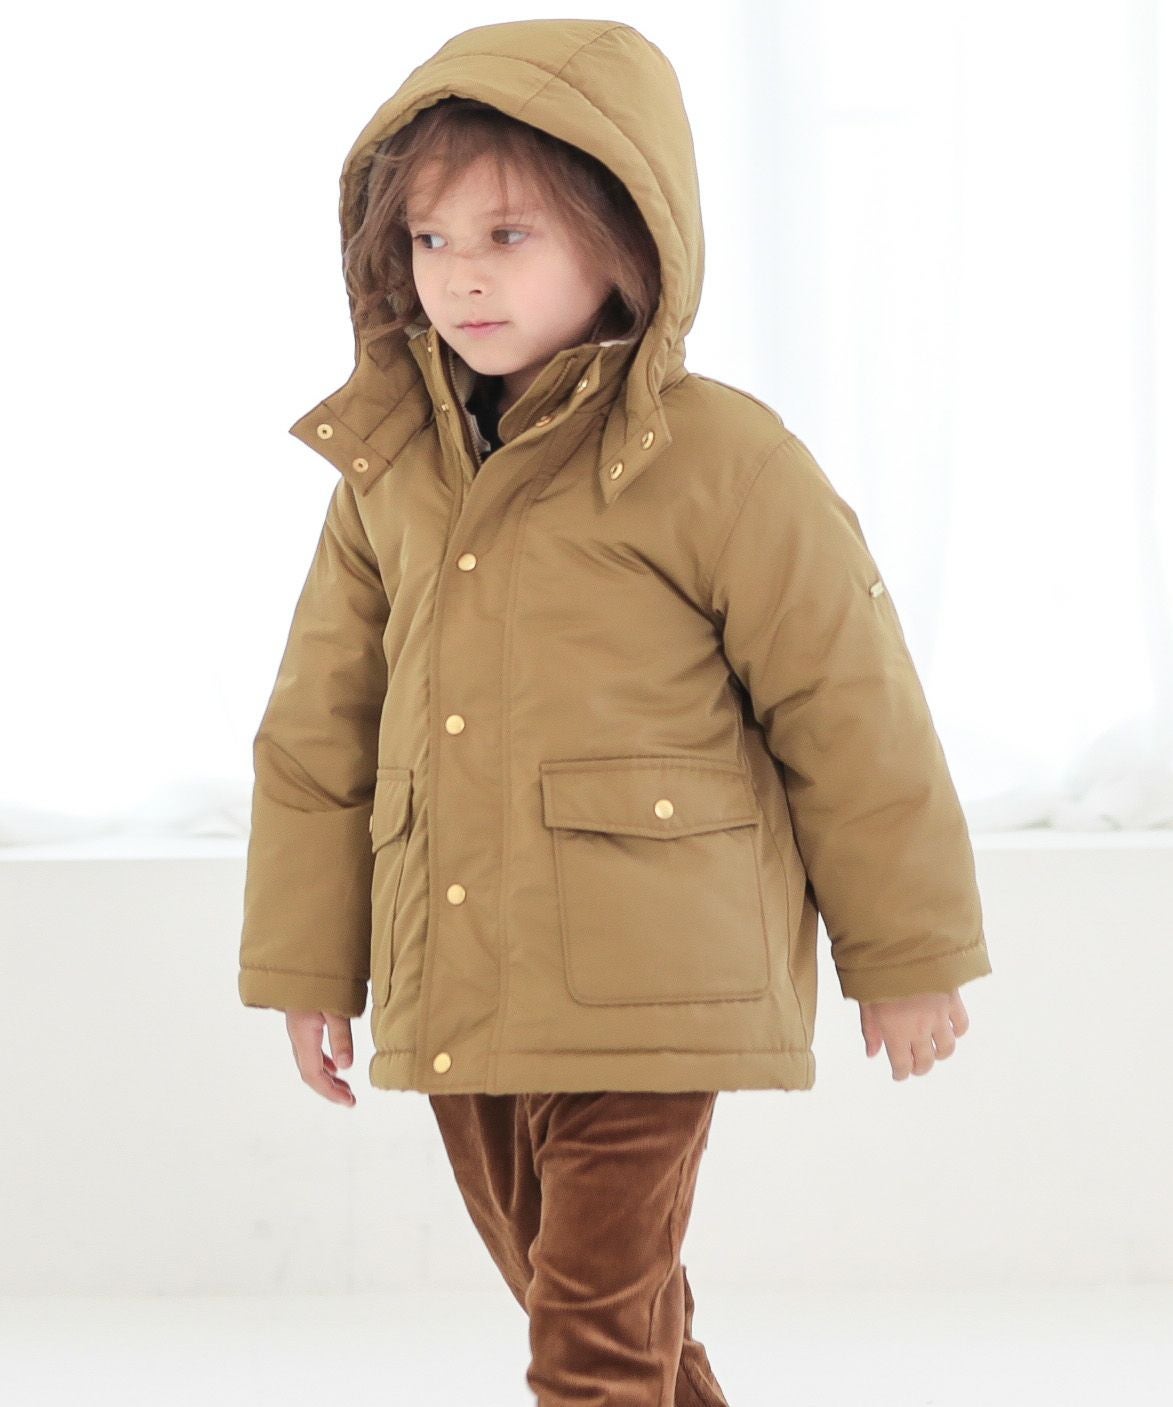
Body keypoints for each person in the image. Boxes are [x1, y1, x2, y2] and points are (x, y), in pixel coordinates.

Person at [238, 18, 993, 1405]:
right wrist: (307, 964)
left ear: (626, 240)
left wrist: (907, 949)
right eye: (427, 239)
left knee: (585, 1333)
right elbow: (318, 733)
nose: (459, 274)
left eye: (508, 235)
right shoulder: (391, 473)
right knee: (590, 1299)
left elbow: (849, 708)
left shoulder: (722, 460)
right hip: (456, 968)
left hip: (653, 969)